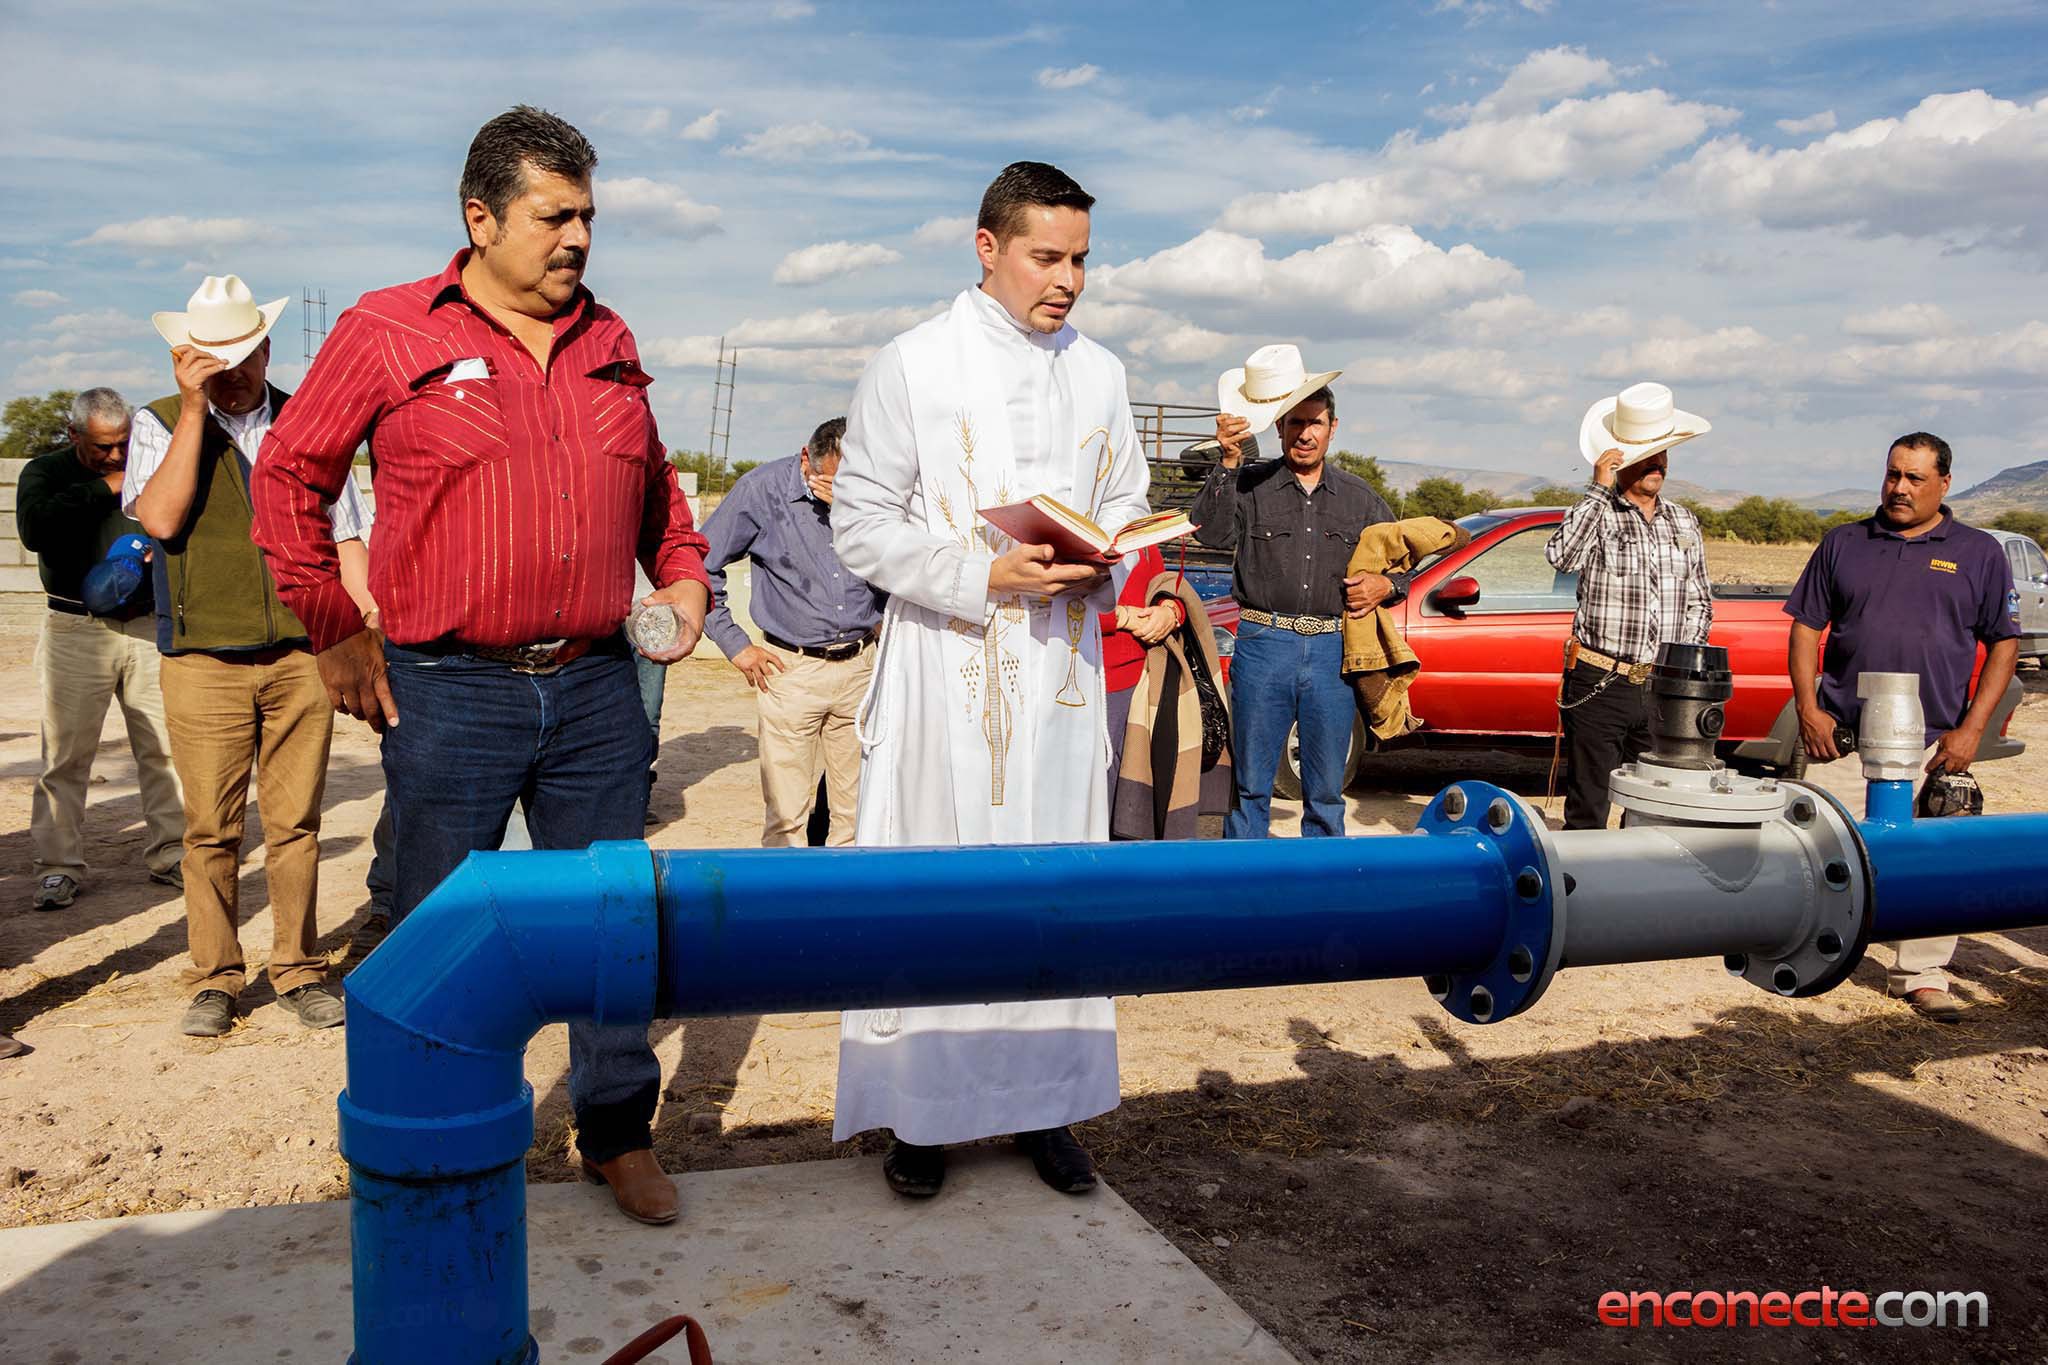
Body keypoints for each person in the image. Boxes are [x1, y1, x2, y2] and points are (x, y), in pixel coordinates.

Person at [251, 105, 709, 1226]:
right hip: (447, 688)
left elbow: (657, 495)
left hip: (602, 686)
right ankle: (435, 1143)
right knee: (439, 932)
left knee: (613, 921)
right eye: (555, 217)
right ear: (479, 217)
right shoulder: (387, 330)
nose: (578, 240)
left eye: (588, 217)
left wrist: (686, 574)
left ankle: (612, 1132)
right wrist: (332, 626)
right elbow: (288, 479)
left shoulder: (610, 341)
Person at [830, 160, 1149, 1198]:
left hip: (1056, 671)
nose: (1067, 280)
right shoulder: (913, 363)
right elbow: (861, 522)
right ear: (986, 247)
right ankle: (922, 1120)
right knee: (942, 893)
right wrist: (978, 573)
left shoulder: (1099, 372)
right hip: (946, 671)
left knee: (1053, 895)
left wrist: (1111, 553)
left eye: (1080, 260)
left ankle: (1045, 1107)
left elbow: (1126, 498)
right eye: (1045, 257)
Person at [127, 276, 371, 1037]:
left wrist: (361, 629)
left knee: (296, 822)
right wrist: (194, 409)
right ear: (187, 357)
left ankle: (296, 968)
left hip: (302, 653)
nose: (233, 370)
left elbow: (347, 535)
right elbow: (162, 518)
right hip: (203, 660)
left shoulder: (311, 420)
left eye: (243, 354)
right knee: (211, 828)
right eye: (213, 357)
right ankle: (216, 977)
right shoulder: (157, 422)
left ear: (266, 348)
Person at [1785, 432, 2020, 1020]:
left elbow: (2003, 645)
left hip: (1935, 738)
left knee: (1939, 858)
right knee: (1829, 852)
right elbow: (1806, 628)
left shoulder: (1979, 552)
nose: (1899, 488)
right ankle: (1823, 955)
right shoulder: (1844, 542)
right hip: (1842, 734)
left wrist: (1972, 731)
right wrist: (1809, 710)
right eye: (1893, 474)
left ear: (1944, 483)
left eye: (1915, 478)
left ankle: (1920, 974)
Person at [1192, 346, 1396, 838]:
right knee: (1250, 787)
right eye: (1296, 422)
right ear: (1279, 427)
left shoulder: (1361, 498)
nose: (1306, 433)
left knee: (1326, 791)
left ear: (1333, 427)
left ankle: (1319, 897)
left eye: (1317, 423)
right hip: (1264, 645)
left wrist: (1386, 583)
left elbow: (1404, 561)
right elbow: (1210, 533)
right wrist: (1227, 462)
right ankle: (1245, 896)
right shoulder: (1248, 485)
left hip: (1333, 650)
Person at [16, 388, 184, 910]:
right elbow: (34, 529)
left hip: (145, 628)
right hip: (75, 628)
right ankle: (58, 867)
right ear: (74, 437)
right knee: (66, 755)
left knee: (164, 748)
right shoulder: (46, 473)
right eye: (102, 448)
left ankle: (172, 853)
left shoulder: (153, 467)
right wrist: (106, 488)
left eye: (123, 446)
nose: (116, 456)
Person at [702, 416, 886, 846]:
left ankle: (846, 905)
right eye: (833, 483)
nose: (842, 494)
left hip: (862, 667)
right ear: (807, 458)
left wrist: (881, 615)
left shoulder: (875, 494)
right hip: (790, 670)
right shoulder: (760, 490)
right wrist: (736, 645)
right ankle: (786, 905)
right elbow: (701, 567)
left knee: (858, 812)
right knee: (786, 816)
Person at [1544, 382, 1713, 830]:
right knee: (1589, 805)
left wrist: (1681, 666)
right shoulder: (1599, 512)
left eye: (1663, 453)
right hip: (1600, 680)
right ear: (1617, 460)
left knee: (1656, 807)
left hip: (1664, 685)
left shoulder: (1683, 521)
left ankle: (1640, 894)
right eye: (1646, 454)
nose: (1657, 463)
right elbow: (1562, 556)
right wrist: (1597, 491)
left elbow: (1700, 599)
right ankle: (1582, 892)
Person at [1104, 544, 1233, 839]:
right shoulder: (1069, 527)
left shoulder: (1141, 535)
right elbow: (1045, 605)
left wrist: (1171, 611)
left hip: (1142, 687)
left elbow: (1162, 584)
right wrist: (1119, 617)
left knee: (1136, 811)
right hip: (1087, 684)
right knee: (1094, 809)